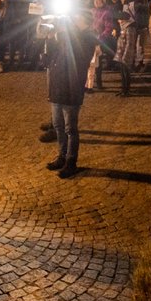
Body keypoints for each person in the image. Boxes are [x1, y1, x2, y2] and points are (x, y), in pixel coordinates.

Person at [43, 12, 97, 178]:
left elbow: (79, 55)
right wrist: (51, 37)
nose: (73, 19)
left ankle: (71, 162)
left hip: (71, 88)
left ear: (85, 22)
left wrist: (63, 30)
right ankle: (62, 155)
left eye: (76, 17)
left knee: (70, 129)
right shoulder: (67, 34)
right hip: (57, 86)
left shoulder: (88, 37)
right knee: (58, 125)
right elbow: (49, 58)